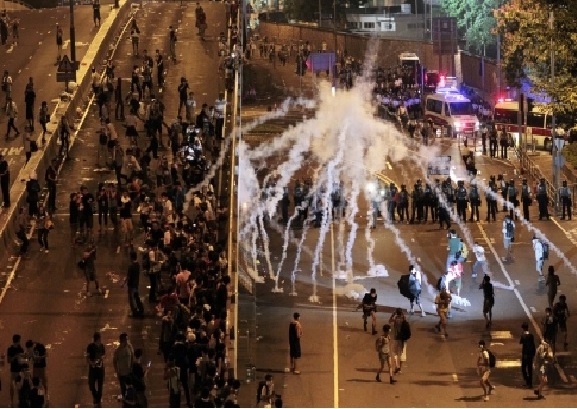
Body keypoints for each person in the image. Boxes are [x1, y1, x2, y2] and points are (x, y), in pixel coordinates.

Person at [122, 251, 144, 317]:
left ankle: (134, 312)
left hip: (131, 285)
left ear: (131, 257)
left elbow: (128, 277)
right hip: (136, 284)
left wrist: (123, 283)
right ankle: (140, 309)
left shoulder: (131, 266)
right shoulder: (137, 265)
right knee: (136, 297)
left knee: (131, 299)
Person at [87, 331, 106, 407]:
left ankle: (98, 399)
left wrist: (101, 358)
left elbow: (104, 355)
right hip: (93, 368)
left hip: (100, 368)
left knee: (100, 384)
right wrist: (91, 363)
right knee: (91, 384)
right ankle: (95, 396)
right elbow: (87, 357)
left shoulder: (102, 346)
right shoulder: (90, 346)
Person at [113, 333, 134, 399]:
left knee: (131, 388)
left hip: (129, 372)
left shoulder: (130, 347)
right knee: (123, 389)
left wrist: (132, 367)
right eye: (126, 339)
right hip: (122, 373)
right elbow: (114, 361)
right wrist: (117, 372)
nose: (127, 340)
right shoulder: (118, 351)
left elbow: (132, 357)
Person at [389, 308, 408, 374]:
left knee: (395, 352)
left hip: (396, 337)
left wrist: (392, 315)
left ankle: (396, 366)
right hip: (403, 338)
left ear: (396, 313)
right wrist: (402, 314)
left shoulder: (395, 319)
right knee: (402, 353)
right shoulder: (403, 318)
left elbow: (389, 321)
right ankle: (400, 368)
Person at [8, 334, 24, 407]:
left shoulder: (21, 349)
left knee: (19, 387)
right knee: (12, 387)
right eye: (19, 340)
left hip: (19, 370)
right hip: (13, 370)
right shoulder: (10, 349)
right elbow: (9, 360)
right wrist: (15, 356)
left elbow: (23, 360)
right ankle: (11, 401)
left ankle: (19, 401)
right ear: (17, 340)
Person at [520, 322, 536, 389]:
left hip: (525, 354)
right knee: (530, 368)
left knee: (524, 368)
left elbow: (521, 342)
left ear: (523, 328)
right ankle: (530, 383)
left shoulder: (523, 336)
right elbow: (533, 345)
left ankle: (527, 380)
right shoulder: (531, 335)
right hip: (531, 354)